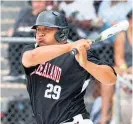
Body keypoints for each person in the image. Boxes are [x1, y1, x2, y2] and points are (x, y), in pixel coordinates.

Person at [21, 10, 117, 124]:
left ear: (61, 33)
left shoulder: (79, 54)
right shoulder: (32, 50)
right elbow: (30, 58)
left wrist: (86, 64)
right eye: (38, 30)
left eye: (46, 29)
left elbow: (111, 79)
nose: (40, 34)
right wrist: (71, 46)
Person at [4, 0, 46, 82]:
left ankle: (26, 71)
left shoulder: (47, 14)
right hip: (21, 36)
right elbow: (16, 27)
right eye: (36, 2)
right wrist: (13, 30)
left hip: (36, 40)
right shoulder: (25, 12)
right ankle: (15, 72)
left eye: (41, 2)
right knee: (15, 38)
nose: (38, 4)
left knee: (27, 41)